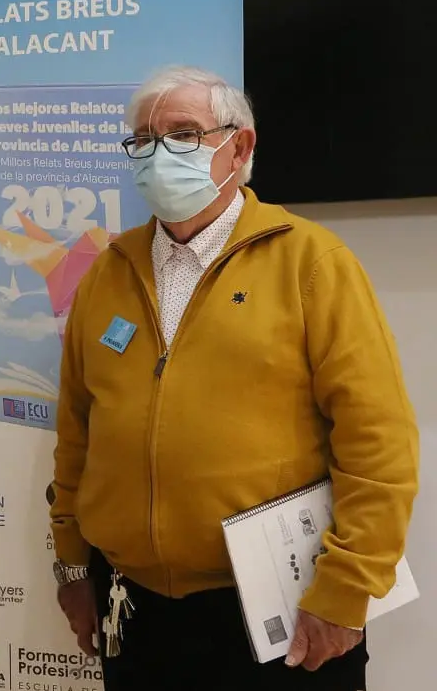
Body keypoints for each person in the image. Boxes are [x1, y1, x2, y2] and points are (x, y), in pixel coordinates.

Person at [49, 65, 419, 691]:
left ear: (239, 147)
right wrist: (72, 566)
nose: (159, 154)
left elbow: (377, 442)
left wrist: (348, 587)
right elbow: (77, 435)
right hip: (133, 605)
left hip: (282, 607)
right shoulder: (107, 272)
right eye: (143, 139)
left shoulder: (311, 263)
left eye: (183, 134)